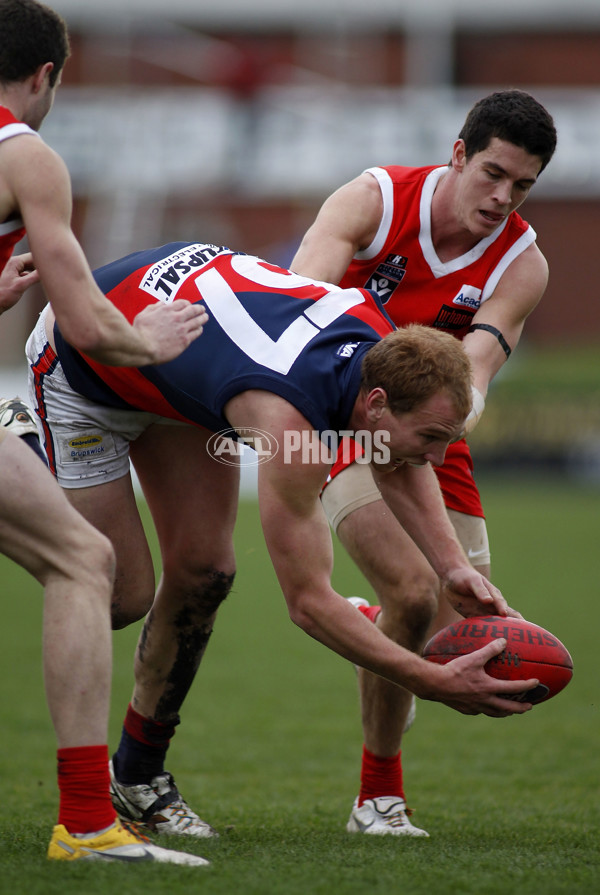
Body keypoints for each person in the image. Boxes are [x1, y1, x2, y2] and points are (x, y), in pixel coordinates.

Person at [25, 241, 540, 839]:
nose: (437, 455)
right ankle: (15, 448)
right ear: (375, 404)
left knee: (205, 574)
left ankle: (139, 777)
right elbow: (308, 604)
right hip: (86, 366)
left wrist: (454, 569)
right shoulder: (289, 425)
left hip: (181, 354)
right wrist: (428, 679)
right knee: (117, 596)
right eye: (429, 434)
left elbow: (401, 455)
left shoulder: (387, 346)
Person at [290, 89, 557, 835]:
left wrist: (440, 411)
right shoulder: (372, 201)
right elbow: (301, 306)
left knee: (455, 634)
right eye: (493, 174)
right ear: (458, 155)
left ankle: (365, 623)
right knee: (414, 592)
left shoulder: (521, 265)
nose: (503, 197)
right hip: (343, 416)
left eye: (524, 185)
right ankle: (379, 798)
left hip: (435, 434)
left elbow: (468, 384)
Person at [0, 0, 208, 865]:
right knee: (88, 562)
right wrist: (145, 340)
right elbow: (85, 320)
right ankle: (88, 821)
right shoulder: (26, 154)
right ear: (46, 75)